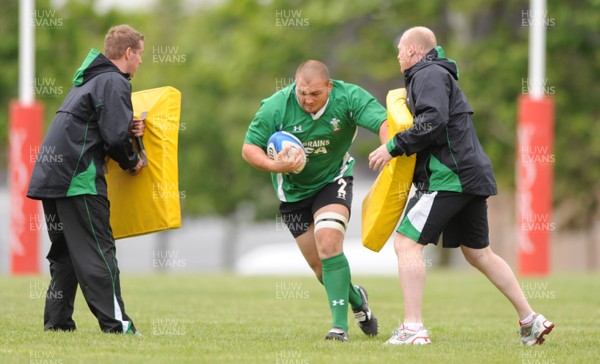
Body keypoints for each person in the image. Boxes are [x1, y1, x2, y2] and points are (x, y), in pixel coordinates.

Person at [368, 26, 554, 346]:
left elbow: (432, 121)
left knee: (406, 244)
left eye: (400, 49)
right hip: (470, 176)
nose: (397, 55)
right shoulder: (437, 75)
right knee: (479, 253)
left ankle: (413, 329)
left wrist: (393, 146)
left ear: (413, 50)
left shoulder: (427, 75)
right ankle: (530, 319)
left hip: (448, 177)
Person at [242, 60, 388, 341]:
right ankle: (358, 300)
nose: (308, 100)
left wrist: (387, 147)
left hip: (334, 181)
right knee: (321, 268)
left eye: (315, 94)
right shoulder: (277, 105)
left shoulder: (349, 97)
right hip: (292, 194)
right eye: (302, 93)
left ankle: (339, 328)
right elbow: (249, 148)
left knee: (329, 243)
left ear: (329, 88)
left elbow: (383, 122)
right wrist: (275, 167)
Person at [27, 25, 146, 335]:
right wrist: (133, 162)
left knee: (66, 254)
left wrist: (125, 126)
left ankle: (57, 323)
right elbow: (115, 137)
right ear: (128, 52)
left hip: (52, 178)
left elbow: (96, 125)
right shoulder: (114, 81)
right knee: (97, 251)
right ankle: (117, 325)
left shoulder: (90, 81)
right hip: (77, 180)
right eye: (140, 55)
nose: (141, 63)